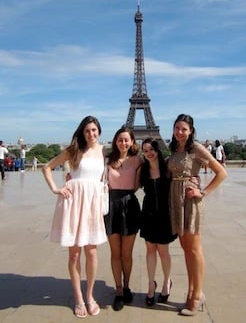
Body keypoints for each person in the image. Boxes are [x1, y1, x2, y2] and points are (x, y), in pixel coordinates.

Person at [42, 116, 107, 318]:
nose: (91, 134)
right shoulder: (73, 150)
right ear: (82, 132)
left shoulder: (103, 150)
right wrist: (56, 189)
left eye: (94, 130)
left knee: (92, 252)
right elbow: (47, 167)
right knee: (75, 254)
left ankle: (90, 295)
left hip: (92, 204)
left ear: (99, 131)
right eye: (87, 130)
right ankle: (79, 298)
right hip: (74, 202)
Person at [167, 114, 227, 316]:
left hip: (190, 200)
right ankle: (192, 290)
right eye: (177, 128)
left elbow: (221, 172)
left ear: (191, 130)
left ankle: (198, 294)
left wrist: (203, 193)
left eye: (184, 129)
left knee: (193, 249)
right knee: (185, 249)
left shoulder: (196, 148)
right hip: (175, 200)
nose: (179, 132)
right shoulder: (175, 149)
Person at [104, 127, 143, 311]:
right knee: (115, 253)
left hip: (129, 205)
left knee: (126, 254)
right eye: (120, 139)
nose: (123, 143)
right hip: (111, 206)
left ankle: (126, 286)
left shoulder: (138, 161)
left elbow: (138, 185)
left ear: (132, 142)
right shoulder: (106, 160)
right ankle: (119, 290)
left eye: (126, 140)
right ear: (115, 141)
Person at [140, 138, 177, 306]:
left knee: (163, 251)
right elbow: (131, 186)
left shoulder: (168, 167)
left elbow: (183, 179)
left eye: (151, 149)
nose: (149, 153)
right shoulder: (142, 169)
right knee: (150, 250)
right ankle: (150, 284)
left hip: (164, 214)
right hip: (148, 213)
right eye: (145, 150)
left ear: (157, 149)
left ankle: (166, 282)